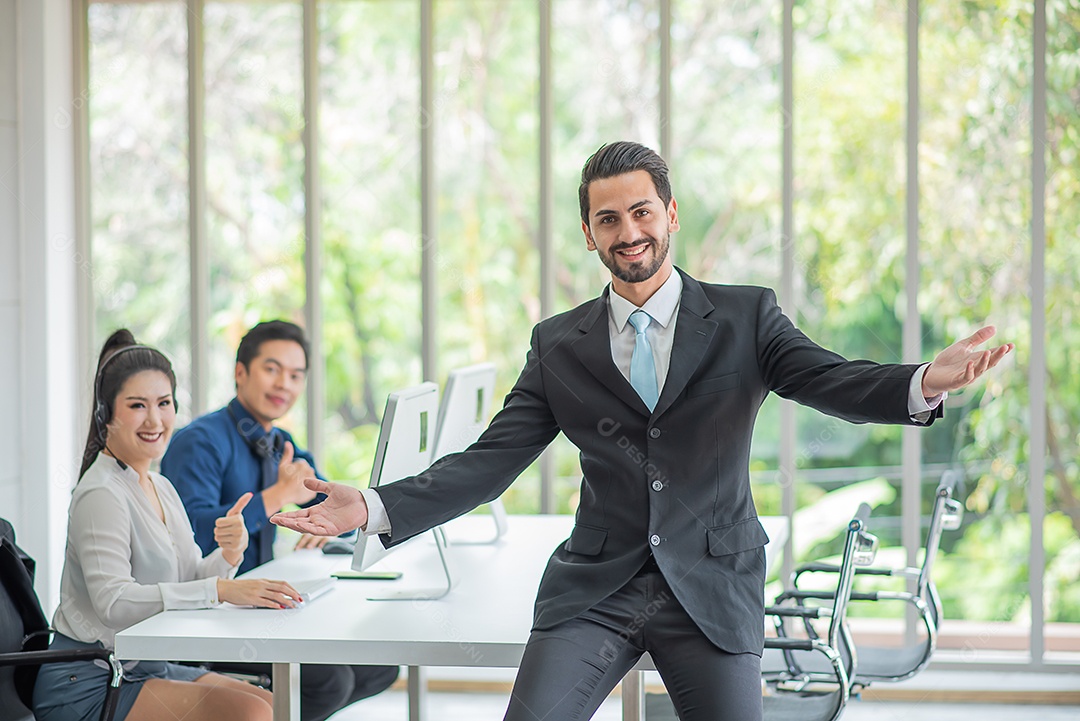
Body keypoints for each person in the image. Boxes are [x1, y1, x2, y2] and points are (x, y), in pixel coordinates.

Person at [272, 141, 1013, 721]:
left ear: (670, 213)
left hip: (712, 584)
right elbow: (490, 462)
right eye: (608, 219)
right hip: (597, 587)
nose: (628, 232)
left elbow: (831, 378)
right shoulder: (559, 343)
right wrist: (371, 504)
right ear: (590, 234)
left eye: (641, 212)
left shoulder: (745, 317)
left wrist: (920, 382)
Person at [33, 330, 302, 721]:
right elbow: (114, 602)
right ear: (105, 414)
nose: (155, 420)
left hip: (140, 668)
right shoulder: (101, 492)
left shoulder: (159, 485)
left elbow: (191, 573)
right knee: (249, 713)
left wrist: (228, 554)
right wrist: (222, 588)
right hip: (89, 681)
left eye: (164, 403)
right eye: (138, 405)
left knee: (273, 705)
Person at [161, 320, 398, 721]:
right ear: (241, 373)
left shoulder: (279, 441)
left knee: (381, 664)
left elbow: (321, 494)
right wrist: (279, 496)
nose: (283, 384)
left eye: (295, 375)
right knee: (329, 681)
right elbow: (195, 532)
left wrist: (322, 524)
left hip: (265, 606)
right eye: (272, 369)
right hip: (212, 612)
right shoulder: (199, 441)